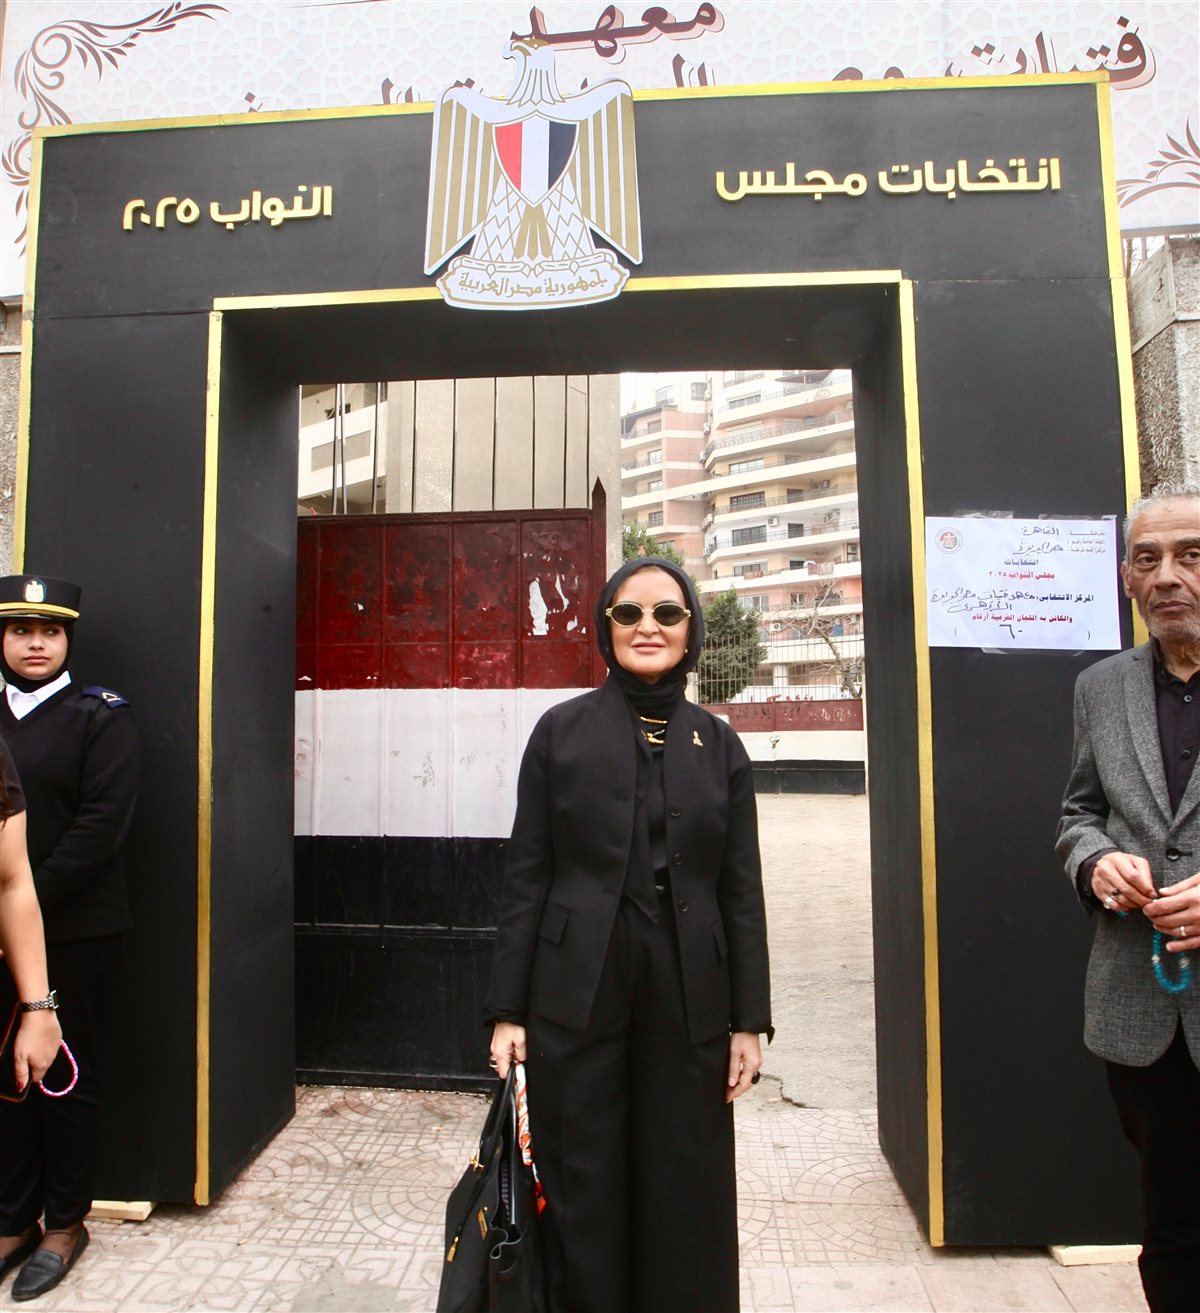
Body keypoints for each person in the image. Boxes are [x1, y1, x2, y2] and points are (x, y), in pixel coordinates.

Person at [486, 556, 772, 1313]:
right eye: (629, 612)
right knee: (582, 1175)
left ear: (691, 631)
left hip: (691, 990)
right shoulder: (560, 733)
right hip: (575, 989)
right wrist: (507, 1010)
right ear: (606, 627)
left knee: (687, 1176)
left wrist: (749, 1020)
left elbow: (741, 891)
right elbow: (526, 875)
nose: (648, 626)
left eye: (667, 613)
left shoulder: (721, 745)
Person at [1055, 483, 1200, 1312]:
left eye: (1191, 555)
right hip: (1142, 1014)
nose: (1168, 575)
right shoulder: (1100, 687)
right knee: (1172, 1229)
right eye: (1149, 559)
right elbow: (1078, 813)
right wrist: (1096, 861)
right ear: (1126, 578)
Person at [0, 574, 139, 1303]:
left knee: (62, 1078)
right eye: (20, 630)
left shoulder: (100, 716)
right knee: (6, 1082)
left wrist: (21, 910)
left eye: (49, 631)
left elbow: (100, 828)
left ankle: (63, 1224)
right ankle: (12, 1220)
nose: (35, 643)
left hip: (77, 932)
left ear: (68, 640)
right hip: (1, 935)